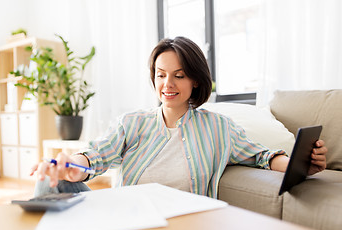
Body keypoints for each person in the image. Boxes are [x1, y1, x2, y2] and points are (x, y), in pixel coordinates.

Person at [32, 36, 327, 198]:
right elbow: (96, 155)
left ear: (196, 80)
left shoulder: (219, 128)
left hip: (184, 226)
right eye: (161, 75)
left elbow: (261, 156)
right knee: (47, 183)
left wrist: (299, 164)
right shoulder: (132, 123)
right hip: (128, 221)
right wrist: (71, 166)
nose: (167, 85)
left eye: (179, 75)